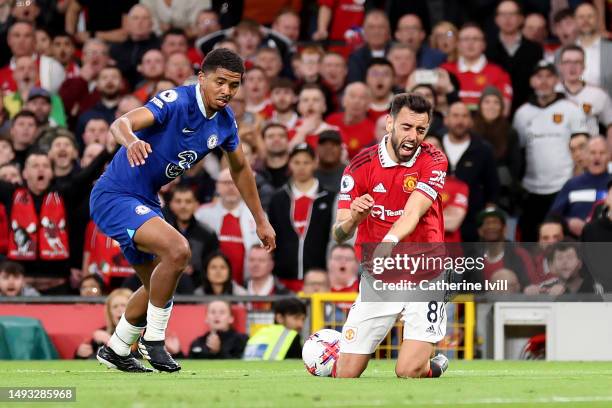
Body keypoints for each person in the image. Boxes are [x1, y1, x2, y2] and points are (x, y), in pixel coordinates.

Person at [90, 48, 276, 373]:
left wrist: (260, 218)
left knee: (155, 287)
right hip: (115, 195)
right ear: (202, 78)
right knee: (178, 251)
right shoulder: (175, 101)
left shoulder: (225, 122)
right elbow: (121, 123)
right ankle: (154, 340)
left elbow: (241, 169)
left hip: (146, 200)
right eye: (220, 82)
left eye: (234, 85)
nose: (226, 91)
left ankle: (117, 348)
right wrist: (131, 141)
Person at [332, 93, 449, 378]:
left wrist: (388, 242)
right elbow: (338, 233)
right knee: (345, 374)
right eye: (406, 127)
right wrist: (354, 219)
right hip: (379, 279)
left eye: (421, 130)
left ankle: (432, 366)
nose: (413, 136)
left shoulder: (434, 160)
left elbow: (412, 213)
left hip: (426, 274)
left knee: (407, 371)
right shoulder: (359, 166)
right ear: (389, 123)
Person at [513, 60, 589, 242]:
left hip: (563, 185)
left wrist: (575, 179)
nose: (544, 81)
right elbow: (519, 152)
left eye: (549, 76)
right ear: (531, 81)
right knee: (531, 240)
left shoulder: (571, 109)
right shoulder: (522, 113)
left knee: (561, 240)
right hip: (531, 188)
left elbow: (581, 148)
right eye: (539, 77)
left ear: (557, 80)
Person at [267, 143, 335, 291]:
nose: (301, 167)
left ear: (315, 163)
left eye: (306, 162)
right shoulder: (278, 199)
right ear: (290, 164)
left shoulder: (330, 198)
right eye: (296, 162)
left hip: (319, 279)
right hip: (283, 278)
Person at [443, 102, 500, 241]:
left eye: (464, 116)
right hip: (438, 224)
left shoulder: (483, 149)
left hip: (472, 224)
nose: (460, 121)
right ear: (446, 120)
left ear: (471, 121)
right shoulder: (434, 145)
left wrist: (486, 221)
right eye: (455, 116)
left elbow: (492, 188)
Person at [195, 168, 261, 286]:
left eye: (236, 183)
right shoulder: (202, 215)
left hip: (246, 286)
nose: (231, 187)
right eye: (226, 183)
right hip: (208, 285)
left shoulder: (257, 216)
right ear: (217, 186)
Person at [486, 0, 544, 113]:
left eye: (512, 14)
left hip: (529, 110)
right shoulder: (487, 49)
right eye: (503, 15)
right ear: (496, 19)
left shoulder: (535, 49)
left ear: (521, 18)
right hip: (494, 111)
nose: (507, 19)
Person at [549, 136, 610, 237]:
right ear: (585, 155)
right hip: (575, 243)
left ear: (608, 156)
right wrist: (568, 223)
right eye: (593, 153)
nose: (597, 157)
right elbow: (553, 217)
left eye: (602, 153)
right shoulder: (572, 184)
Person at [164, 185, 219, 288]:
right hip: (166, 287)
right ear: (171, 205)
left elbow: (213, 265)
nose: (183, 206)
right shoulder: (163, 232)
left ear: (196, 205)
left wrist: (194, 269)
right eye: (178, 201)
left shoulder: (208, 234)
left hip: (198, 290)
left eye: (188, 201)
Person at [557, 45, 612, 138]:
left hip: (589, 149)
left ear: (584, 66)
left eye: (577, 62)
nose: (572, 67)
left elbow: (610, 125)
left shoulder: (598, 94)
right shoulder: (552, 93)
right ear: (560, 66)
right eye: (567, 62)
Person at [75, 288, 133, 359]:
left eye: (123, 305)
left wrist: (111, 342)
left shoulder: (145, 333)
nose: (119, 309)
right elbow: (86, 361)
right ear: (110, 312)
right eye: (115, 306)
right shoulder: (102, 334)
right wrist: (79, 353)